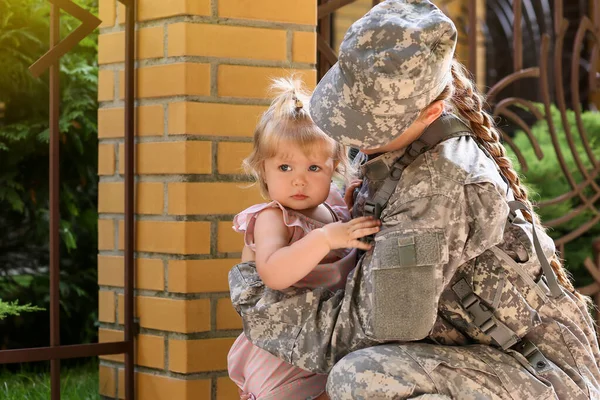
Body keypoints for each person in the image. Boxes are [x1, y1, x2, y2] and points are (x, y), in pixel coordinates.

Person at [228, 1, 600, 399]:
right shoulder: (396, 149)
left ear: (433, 111)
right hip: (473, 353)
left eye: (370, 125)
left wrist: (255, 296)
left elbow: (372, 328)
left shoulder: (438, 188)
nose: (353, 138)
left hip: (533, 375)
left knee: (363, 378)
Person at [226, 77, 380, 400]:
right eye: (284, 166)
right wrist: (324, 239)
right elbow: (273, 271)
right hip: (281, 351)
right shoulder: (272, 218)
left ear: (333, 168)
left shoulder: (335, 208)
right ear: (262, 169)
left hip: (323, 341)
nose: (299, 180)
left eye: (313, 167)